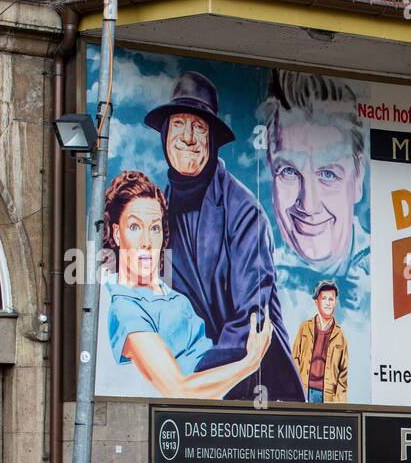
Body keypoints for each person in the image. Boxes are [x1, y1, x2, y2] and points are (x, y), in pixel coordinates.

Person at [144, 71, 304, 401]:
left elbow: (251, 321)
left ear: (212, 140)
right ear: (164, 134)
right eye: (178, 125)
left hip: (258, 395)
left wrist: (189, 380)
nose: (187, 137)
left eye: (199, 128)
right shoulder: (157, 214)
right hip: (196, 394)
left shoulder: (245, 212)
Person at [101, 171, 273, 398]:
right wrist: (250, 363)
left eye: (154, 228)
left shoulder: (169, 290)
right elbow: (177, 390)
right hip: (206, 405)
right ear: (116, 232)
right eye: (134, 227)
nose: (146, 242)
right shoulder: (126, 308)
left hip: (231, 390)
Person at [262, 69, 370, 312]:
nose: (308, 205)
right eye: (288, 171)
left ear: (358, 176)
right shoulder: (254, 280)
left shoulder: (389, 272)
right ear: (270, 165)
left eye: (328, 175)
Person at [291, 280, 349, 402]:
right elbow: (294, 358)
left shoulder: (340, 336)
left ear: (335, 303)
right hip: (305, 392)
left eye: (331, 299)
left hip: (328, 397)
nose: (328, 303)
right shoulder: (305, 328)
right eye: (324, 299)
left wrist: (340, 405)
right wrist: (297, 389)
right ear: (317, 302)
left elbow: (343, 376)